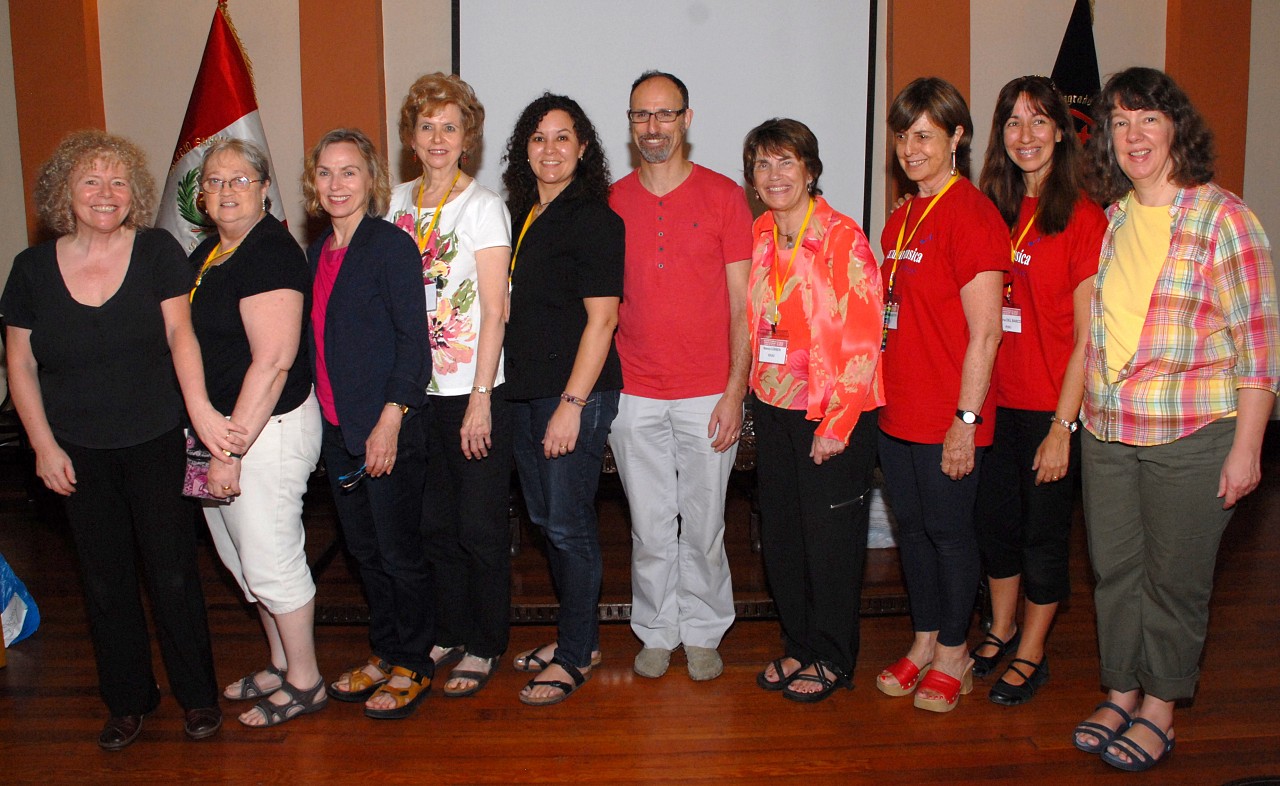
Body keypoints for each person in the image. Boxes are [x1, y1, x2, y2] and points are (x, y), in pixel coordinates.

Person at [1071, 67, 1279, 772]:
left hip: (1193, 435)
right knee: (1116, 571)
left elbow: (1260, 350)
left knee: (1174, 578)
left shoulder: (1225, 219)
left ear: (1176, 129)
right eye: (1121, 123)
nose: (1134, 136)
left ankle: (1161, 704)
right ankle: (1122, 688)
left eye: (1148, 120)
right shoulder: (1118, 218)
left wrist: (1247, 450)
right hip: (1108, 430)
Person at [1, 130, 223, 748]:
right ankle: (128, 700)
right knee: (104, 581)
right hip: (75, 449)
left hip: (155, 438)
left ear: (135, 193)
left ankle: (198, 697)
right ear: (64, 193)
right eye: (91, 181)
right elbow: (18, 365)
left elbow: (182, 337)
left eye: (119, 181)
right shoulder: (31, 270)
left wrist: (199, 411)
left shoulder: (156, 251)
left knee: (173, 573)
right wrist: (43, 446)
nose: (106, 192)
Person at [607, 70, 753, 682]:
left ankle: (702, 629)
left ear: (687, 119)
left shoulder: (724, 196)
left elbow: (745, 306)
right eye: (642, 116)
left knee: (704, 525)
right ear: (631, 123)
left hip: (707, 395)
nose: (653, 127)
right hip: (633, 393)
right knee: (648, 526)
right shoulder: (611, 200)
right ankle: (656, 628)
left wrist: (735, 392)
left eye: (665, 114)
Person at [970, 76, 1106, 706]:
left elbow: (1086, 337)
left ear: (1061, 130)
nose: (1025, 136)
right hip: (992, 402)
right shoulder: (989, 208)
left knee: (1043, 535)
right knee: (994, 525)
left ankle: (1032, 648)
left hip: (1050, 405)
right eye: (1012, 123)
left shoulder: (1083, 216)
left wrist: (1063, 426)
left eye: (1037, 121)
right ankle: (999, 627)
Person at [875, 77, 1008, 713]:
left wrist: (965, 420)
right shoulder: (901, 216)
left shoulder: (974, 215)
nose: (910, 148)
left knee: (950, 533)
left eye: (924, 134)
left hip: (948, 415)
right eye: (903, 135)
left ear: (957, 137)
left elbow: (985, 336)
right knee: (915, 534)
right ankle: (925, 638)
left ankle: (957, 649)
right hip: (897, 410)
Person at [743, 119, 884, 703]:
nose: (775, 176)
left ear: (811, 170)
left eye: (786, 163)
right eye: (763, 165)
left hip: (831, 413)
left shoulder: (842, 238)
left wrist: (837, 423)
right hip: (774, 408)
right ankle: (799, 644)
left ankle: (833, 656)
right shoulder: (759, 234)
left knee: (830, 542)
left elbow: (863, 338)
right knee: (782, 537)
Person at [187, 138, 326, 726]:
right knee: (242, 558)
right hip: (220, 432)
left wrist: (230, 448)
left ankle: (306, 678)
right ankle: (277, 661)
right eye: (215, 181)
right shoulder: (210, 253)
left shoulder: (269, 251)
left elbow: (272, 361)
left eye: (239, 180)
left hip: (264, 432)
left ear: (265, 188)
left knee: (270, 558)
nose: (226, 191)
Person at [387, 73, 514, 697]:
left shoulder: (484, 206)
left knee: (480, 527)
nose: (438, 138)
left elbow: (495, 310)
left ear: (469, 138)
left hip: (471, 389)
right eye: (427, 126)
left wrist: (482, 399)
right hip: (414, 391)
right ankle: (451, 626)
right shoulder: (395, 202)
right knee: (433, 524)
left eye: (451, 127)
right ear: (412, 136)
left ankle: (488, 640)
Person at [302, 128, 434, 720]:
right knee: (363, 551)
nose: (337, 184)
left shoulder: (390, 246)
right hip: (337, 430)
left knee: (400, 553)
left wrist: (390, 422)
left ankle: (414, 663)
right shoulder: (317, 252)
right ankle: (384, 652)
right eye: (326, 173)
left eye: (349, 171)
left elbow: (415, 346)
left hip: (386, 430)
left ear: (371, 180)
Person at [500, 93, 624, 706]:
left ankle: (575, 654)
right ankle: (580, 636)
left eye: (563, 137)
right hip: (525, 392)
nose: (550, 149)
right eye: (538, 138)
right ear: (525, 149)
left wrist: (571, 406)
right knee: (548, 521)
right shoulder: (523, 213)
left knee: (569, 525)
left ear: (583, 148)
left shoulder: (595, 219)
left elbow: (602, 322)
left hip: (574, 393)